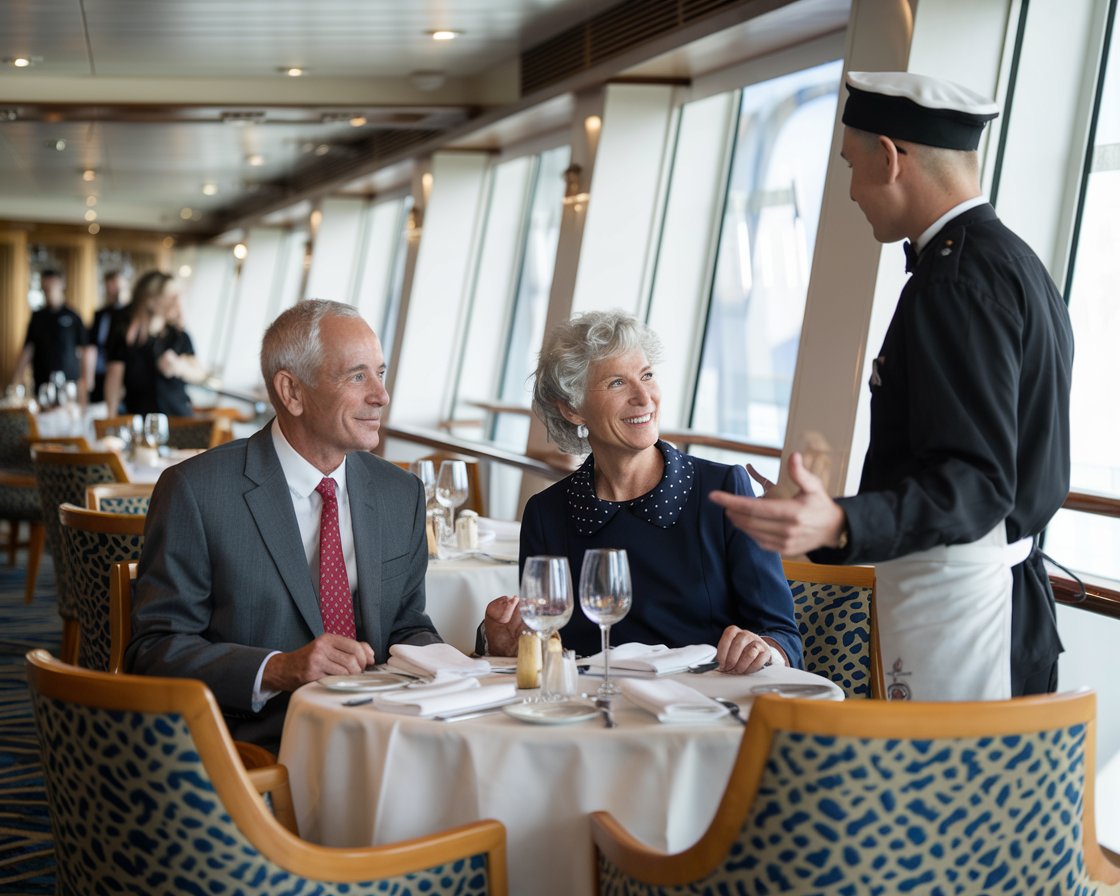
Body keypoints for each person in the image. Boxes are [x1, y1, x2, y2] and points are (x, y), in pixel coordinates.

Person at [709, 71, 1073, 701]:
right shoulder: (1011, 262)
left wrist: (839, 523)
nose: (850, 190)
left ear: (889, 156)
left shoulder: (952, 283)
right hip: (993, 602)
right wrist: (825, 516)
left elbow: (977, 484)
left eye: (852, 165)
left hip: (968, 612)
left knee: (945, 799)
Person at [126, 299, 440, 749]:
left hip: (388, 738)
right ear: (292, 392)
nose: (381, 395)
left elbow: (407, 628)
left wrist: (484, 646)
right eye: (357, 376)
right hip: (260, 749)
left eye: (381, 373)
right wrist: (279, 669)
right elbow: (154, 651)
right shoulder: (196, 492)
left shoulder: (400, 493)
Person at [482, 310, 802, 674]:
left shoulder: (723, 490)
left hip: (701, 707)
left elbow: (782, 635)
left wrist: (764, 649)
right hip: (591, 712)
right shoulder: (547, 513)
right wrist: (507, 646)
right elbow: (544, 643)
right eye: (617, 383)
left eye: (647, 375)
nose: (643, 396)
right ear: (572, 409)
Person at [103, 270, 205, 417]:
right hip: (139, 422)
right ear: (151, 300)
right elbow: (114, 380)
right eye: (171, 296)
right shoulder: (125, 337)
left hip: (178, 421)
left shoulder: (179, 336)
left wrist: (179, 367)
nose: (176, 302)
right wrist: (110, 419)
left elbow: (199, 374)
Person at [10, 269, 88, 394]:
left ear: (61, 284)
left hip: (69, 385)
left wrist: (85, 383)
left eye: (52, 286)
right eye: (45, 288)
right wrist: (16, 381)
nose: (49, 290)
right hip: (43, 384)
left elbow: (85, 350)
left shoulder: (73, 316)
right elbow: (28, 348)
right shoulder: (37, 317)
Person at [84, 269, 129, 405]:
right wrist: (88, 378)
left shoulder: (129, 315)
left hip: (123, 374)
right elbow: (91, 346)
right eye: (110, 287)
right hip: (100, 372)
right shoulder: (101, 314)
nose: (113, 291)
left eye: (116, 286)